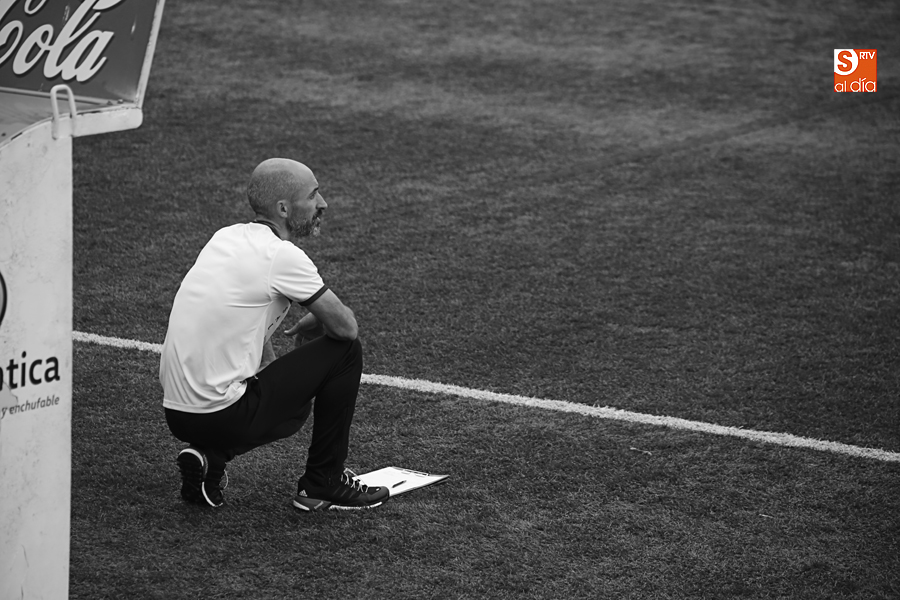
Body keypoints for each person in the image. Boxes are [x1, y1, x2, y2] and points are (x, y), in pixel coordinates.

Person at [159, 158, 388, 511]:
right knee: (346, 351)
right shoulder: (281, 255)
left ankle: (211, 459)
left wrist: (273, 365)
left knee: (294, 407)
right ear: (283, 209)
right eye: (312, 195)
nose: (323, 203)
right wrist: (321, 319)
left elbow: (238, 313)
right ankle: (323, 482)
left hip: (178, 414)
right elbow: (346, 327)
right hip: (220, 414)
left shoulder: (225, 237)